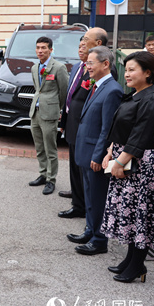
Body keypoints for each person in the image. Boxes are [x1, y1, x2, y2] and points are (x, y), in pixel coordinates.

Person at [100, 51, 154, 282]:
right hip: (127, 160)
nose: (126, 74)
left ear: (147, 73)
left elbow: (140, 135)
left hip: (140, 165)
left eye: (132, 70)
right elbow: (122, 128)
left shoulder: (151, 99)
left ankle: (137, 265)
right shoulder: (137, 94)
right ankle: (130, 260)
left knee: (140, 216)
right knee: (129, 214)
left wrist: (120, 161)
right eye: (126, 70)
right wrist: (111, 150)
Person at [68, 46, 123, 255]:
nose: (87, 67)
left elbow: (107, 128)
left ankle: (99, 240)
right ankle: (90, 230)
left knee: (98, 198)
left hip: (95, 155)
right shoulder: (99, 86)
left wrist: (99, 155)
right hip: (86, 151)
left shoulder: (112, 90)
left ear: (105, 64)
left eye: (91, 63)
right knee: (90, 196)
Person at [28, 36, 68, 195]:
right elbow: (38, 89)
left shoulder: (59, 67)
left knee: (50, 148)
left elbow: (64, 92)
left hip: (49, 113)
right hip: (35, 112)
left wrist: (57, 109)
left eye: (44, 48)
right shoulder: (34, 67)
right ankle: (43, 174)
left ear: (51, 50)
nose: (40, 51)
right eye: (38, 47)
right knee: (39, 147)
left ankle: (51, 180)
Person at [57, 39, 89, 218]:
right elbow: (69, 96)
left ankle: (83, 205)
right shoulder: (77, 67)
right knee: (74, 166)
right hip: (71, 123)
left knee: (82, 167)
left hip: (83, 126)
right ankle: (77, 199)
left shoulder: (97, 70)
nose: (80, 49)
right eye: (79, 47)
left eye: (84, 46)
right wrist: (63, 121)